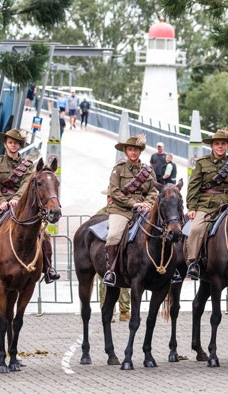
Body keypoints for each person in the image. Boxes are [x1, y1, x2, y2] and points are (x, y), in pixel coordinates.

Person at [0, 128, 60, 283]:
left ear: (20, 145)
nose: (13, 145)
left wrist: (17, 199)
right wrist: (1, 202)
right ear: (5, 144)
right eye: (10, 142)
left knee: (44, 233)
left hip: (21, 206)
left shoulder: (27, 166)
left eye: (16, 143)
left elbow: (26, 185)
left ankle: (48, 268)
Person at [185, 128, 228, 280]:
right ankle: (193, 262)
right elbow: (193, 187)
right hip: (207, 205)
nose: (220, 146)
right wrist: (192, 207)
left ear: (227, 146)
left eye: (223, 144)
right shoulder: (202, 163)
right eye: (217, 144)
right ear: (211, 146)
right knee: (196, 229)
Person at [102, 134, 158, 287]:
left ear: (140, 152)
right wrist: (133, 203)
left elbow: (153, 191)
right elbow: (114, 191)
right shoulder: (118, 169)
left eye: (136, 150)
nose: (133, 152)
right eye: (130, 149)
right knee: (113, 235)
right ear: (126, 151)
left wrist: (147, 203)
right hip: (121, 209)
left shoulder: (148, 171)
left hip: (144, 210)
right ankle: (111, 271)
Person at [96, 192, 130, 321]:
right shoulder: (101, 213)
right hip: (105, 252)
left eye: (112, 197)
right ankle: (108, 311)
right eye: (109, 197)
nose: (110, 199)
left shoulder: (125, 212)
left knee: (124, 282)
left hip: (121, 251)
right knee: (105, 283)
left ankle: (124, 310)